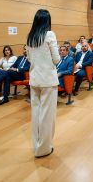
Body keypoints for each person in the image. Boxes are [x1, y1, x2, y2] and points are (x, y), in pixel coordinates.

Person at [26, 9, 60, 158]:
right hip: (48, 80)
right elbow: (57, 59)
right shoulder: (50, 34)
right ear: (47, 21)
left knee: (36, 113)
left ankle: (36, 145)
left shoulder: (30, 36)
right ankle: (44, 149)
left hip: (34, 79)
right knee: (47, 115)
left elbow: (29, 58)